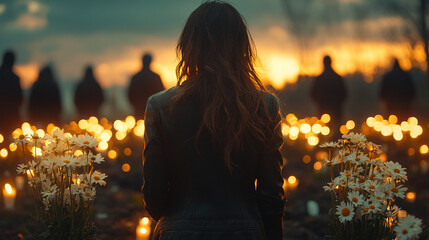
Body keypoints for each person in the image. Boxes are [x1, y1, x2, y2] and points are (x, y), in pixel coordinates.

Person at [142, 2, 285, 240]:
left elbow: (154, 199)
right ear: (241, 47)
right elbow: (271, 199)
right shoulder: (265, 106)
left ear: (188, 46)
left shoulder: (159, 106)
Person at [310, 55, 347, 134]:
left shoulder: (319, 79)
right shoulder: (337, 78)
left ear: (323, 63)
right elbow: (344, 94)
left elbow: (312, 94)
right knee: (336, 134)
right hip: (336, 111)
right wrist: (337, 103)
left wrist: (320, 103)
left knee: (323, 135)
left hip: (323, 111)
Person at [128, 53, 165, 119]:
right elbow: (162, 93)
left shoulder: (136, 77)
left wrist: (135, 104)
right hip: (153, 110)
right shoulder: (155, 77)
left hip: (139, 109)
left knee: (138, 127)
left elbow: (130, 94)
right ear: (151, 61)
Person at [0, 50, 23, 135]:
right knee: (9, 138)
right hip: (12, 116)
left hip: (2, 115)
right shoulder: (15, 78)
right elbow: (20, 99)